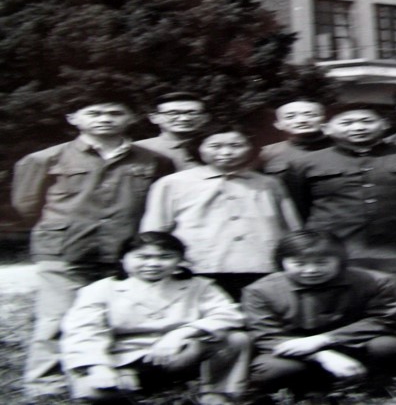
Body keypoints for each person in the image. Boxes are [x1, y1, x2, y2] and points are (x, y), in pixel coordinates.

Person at [12, 92, 173, 396]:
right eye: (95, 113)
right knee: (57, 316)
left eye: (114, 113)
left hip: (124, 249)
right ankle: (46, 381)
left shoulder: (154, 160)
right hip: (64, 248)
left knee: (111, 314)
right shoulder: (44, 159)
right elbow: (27, 206)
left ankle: (105, 373)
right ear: (73, 119)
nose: (105, 119)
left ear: (131, 118)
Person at [278, 103, 396, 293]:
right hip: (339, 253)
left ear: (385, 124)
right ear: (327, 128)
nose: (358, 127)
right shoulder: (305, 164)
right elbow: (299, 206)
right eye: (346, 123)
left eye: (367, 121)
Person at [60, 232, 248, 405]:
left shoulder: (199, 286)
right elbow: (84, 331)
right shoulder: (100, 289)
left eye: (165, 257)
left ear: (180, 260)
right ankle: (134, 380)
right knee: (93, 392)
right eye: (143, 257)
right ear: (123, 259)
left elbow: (229, 314)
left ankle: (216, 393)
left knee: (236, 339)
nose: (153, 264)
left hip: (180, 354)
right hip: (123, 358)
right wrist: (99, 367)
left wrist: (180, 334)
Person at [241, 231, 396, 399]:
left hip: (353, 344)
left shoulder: (376, 281)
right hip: (294, 352)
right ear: (282, 262)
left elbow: (383, 319)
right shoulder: (259, 290)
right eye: (299, 263)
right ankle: (308, 391)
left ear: (340, 260)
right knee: (274, 369)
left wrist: (325, 339)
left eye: (322, 262)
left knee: (388, 346)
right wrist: (319, 354)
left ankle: (375, 385)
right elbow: (266, 335)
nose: (311, 270)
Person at [140, 128, 302, 299]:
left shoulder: (269, 184)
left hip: (262, 267)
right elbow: (155, 231)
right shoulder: (172, 183)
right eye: (215, 146)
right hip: (197, 267)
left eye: (236, 146)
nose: (226, 152)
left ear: (251, 148)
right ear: (197, 148)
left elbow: (292, 228)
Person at [135, 92, 211, 171]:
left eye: (192, 113)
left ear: (206, 117)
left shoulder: (216, 143)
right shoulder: (138, 149)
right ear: (154, 118)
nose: (184, 118)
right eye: (173, 113)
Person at [259, 99, 332, 168]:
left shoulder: (338, 145)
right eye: (290, 117)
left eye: (310, 115)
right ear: (278, 124)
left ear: (324, 119)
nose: (301, 120)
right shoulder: (269, 152)